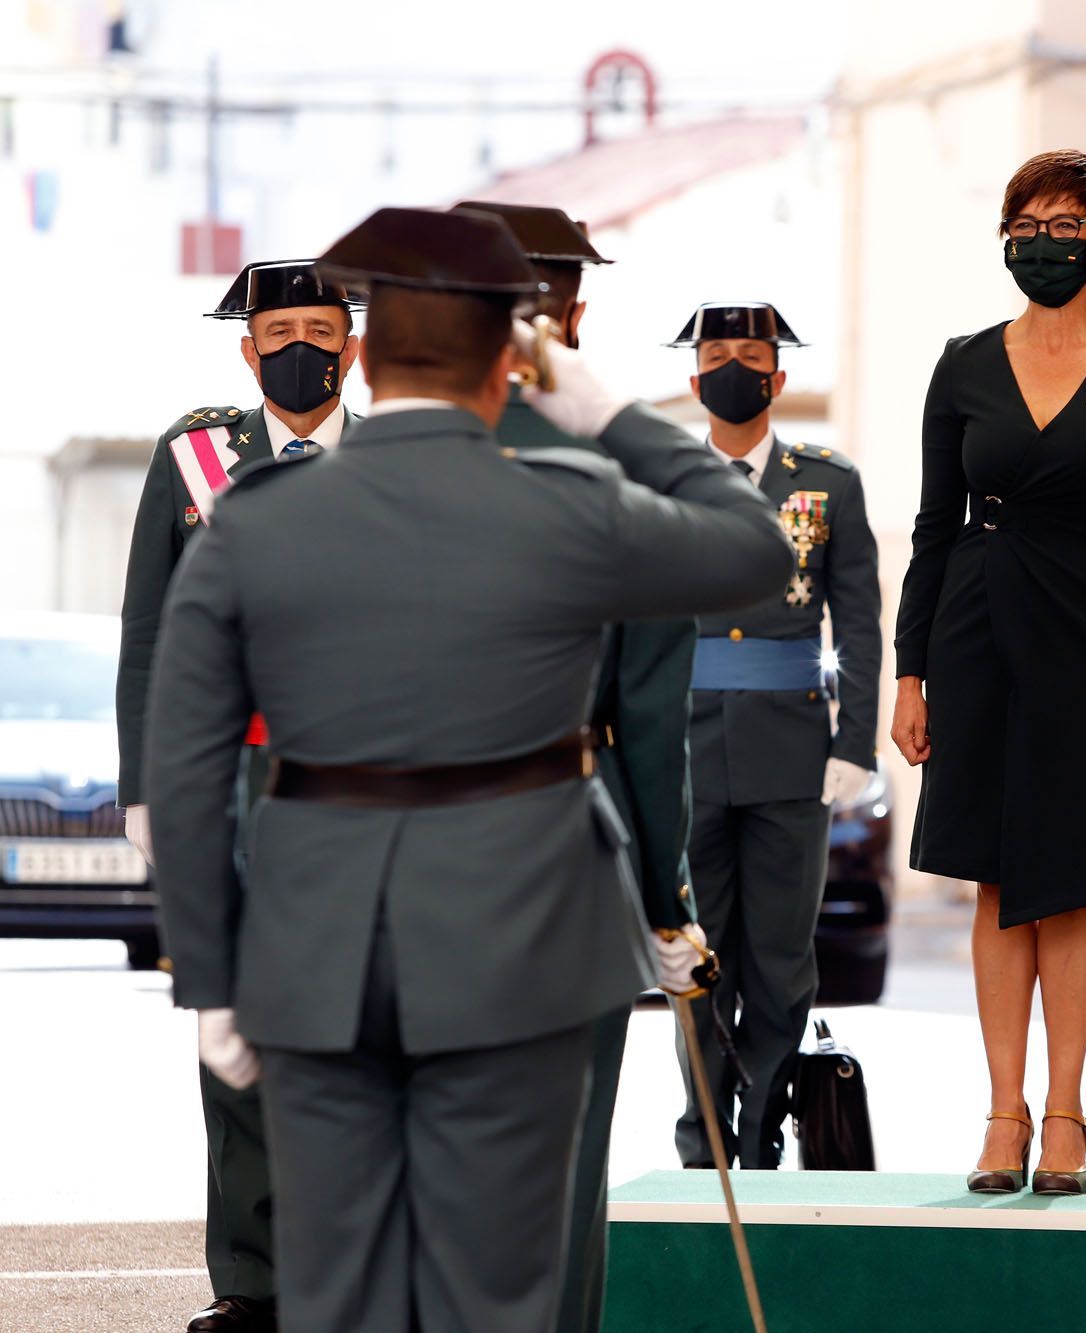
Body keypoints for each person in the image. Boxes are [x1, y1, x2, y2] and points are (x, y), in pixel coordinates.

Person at [144, 205, 789, 1332]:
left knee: (339, 1290)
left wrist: (209, 971)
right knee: (493, 1293)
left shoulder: (255, 519)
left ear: (364, 353)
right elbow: (751, 546)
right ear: (510, 362)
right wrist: (605, 409)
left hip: (313, 945)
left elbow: (185, 756)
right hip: (524, 939)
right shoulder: (572, 504)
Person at [889, 150, 1086, 1197]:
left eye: (1065, 224)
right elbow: (931, 528)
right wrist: (909, 672)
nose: (1042, 240)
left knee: (1070, 883)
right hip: (977, 630)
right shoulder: (960, 363)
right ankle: (1001, 1113)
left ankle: (1066, 1113)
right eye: (1024, 221)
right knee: (997, 877)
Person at [456, 198, 700, 1333]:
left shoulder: (353, 463)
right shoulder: (623, 476)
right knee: (557, 1180)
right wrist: (664, 902)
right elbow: (648, 717)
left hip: (378, 858)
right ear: (573, 316)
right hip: (567, 841)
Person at [116, 258, 361, 1333]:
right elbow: (148, 635)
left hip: (369, 777)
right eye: (282, 329)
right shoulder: (196, 453)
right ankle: (251, 1281)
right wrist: (146, 789)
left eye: (323, 326)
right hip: (234, 781)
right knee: (240, 1029)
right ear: (247, 348)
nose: (302, 345)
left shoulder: (401, 455)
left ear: (352, 345)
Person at [666, 301, 883, 1169]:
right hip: (683, 751)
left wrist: (854, 744)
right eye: (716, 355)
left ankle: (760, 1141)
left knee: (783, 963)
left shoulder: (826, 481)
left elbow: (860, 625)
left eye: (749, 356)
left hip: (793, 754)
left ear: (778, 377)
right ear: (694, 380)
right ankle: (705, 1141)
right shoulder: (665, 480)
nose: (732, 369)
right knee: (696, 958)